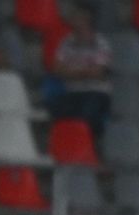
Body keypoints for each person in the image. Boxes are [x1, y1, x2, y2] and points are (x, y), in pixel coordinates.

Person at [50, 2, 112, 141]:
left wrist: (71, 72)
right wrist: (84, 72)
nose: (72, 18)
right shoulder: (66, 42)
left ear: (86, 19)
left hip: (96, 92)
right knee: (57, 112)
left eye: (76, 16)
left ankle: (92, 146)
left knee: (85, 115)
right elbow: (57, 68)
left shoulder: (101, 42)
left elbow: (98, 72)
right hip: (72, 92)